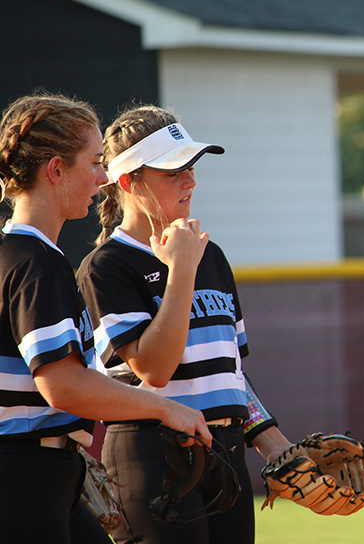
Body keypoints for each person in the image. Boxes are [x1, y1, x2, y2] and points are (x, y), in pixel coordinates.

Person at [0, 93, 212, 544]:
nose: (102, 177)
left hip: (46, 473)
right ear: (56, 170)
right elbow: (63, 385)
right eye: (95, 163)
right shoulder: (32, 261)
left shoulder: (30, 255)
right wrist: (166, 407)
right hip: (22, 475)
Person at [76, 105, 292, 544]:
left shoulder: (207, 253)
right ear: (127, 182)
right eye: (172, 172)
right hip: (152, 455)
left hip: (225, 452)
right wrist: (181, 272)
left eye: (191, 167)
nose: (190, 181)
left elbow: (228, 372)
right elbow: (154, 368)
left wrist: (273, 443)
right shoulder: (106, 267)